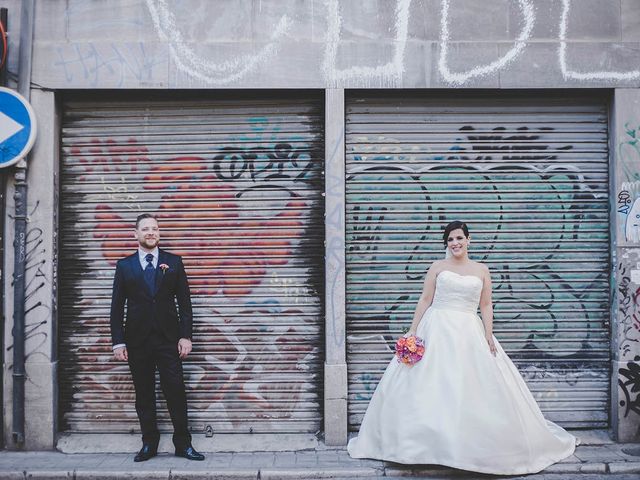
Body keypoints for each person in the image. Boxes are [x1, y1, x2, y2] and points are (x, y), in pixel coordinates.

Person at [347, 221, 576, 475]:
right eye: (450, 240)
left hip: (468, 329)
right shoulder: (437, 267)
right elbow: (425, 299)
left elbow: (486, 305)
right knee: (427, 385)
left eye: (458, 238)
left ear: (469, 239)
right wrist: (413, 330)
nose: (455, 243)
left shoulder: (481, 270)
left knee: (469, 386)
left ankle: (465, 446)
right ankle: (422, 447)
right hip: (436, 327)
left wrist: (488, 334)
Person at [110, 213, 204, 462]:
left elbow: (185, 304)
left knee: (175, 391)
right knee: (144, 394)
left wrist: (186, 336)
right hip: (137, 341)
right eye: (145, 229)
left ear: (159, 233)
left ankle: (183, 445)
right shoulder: (124, 266)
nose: (150, 232)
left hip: (168, 340)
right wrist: (118, 341)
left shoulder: (173, 262)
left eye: (154, 228)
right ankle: (149, 444)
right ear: (136, 234)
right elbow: (117, 307)